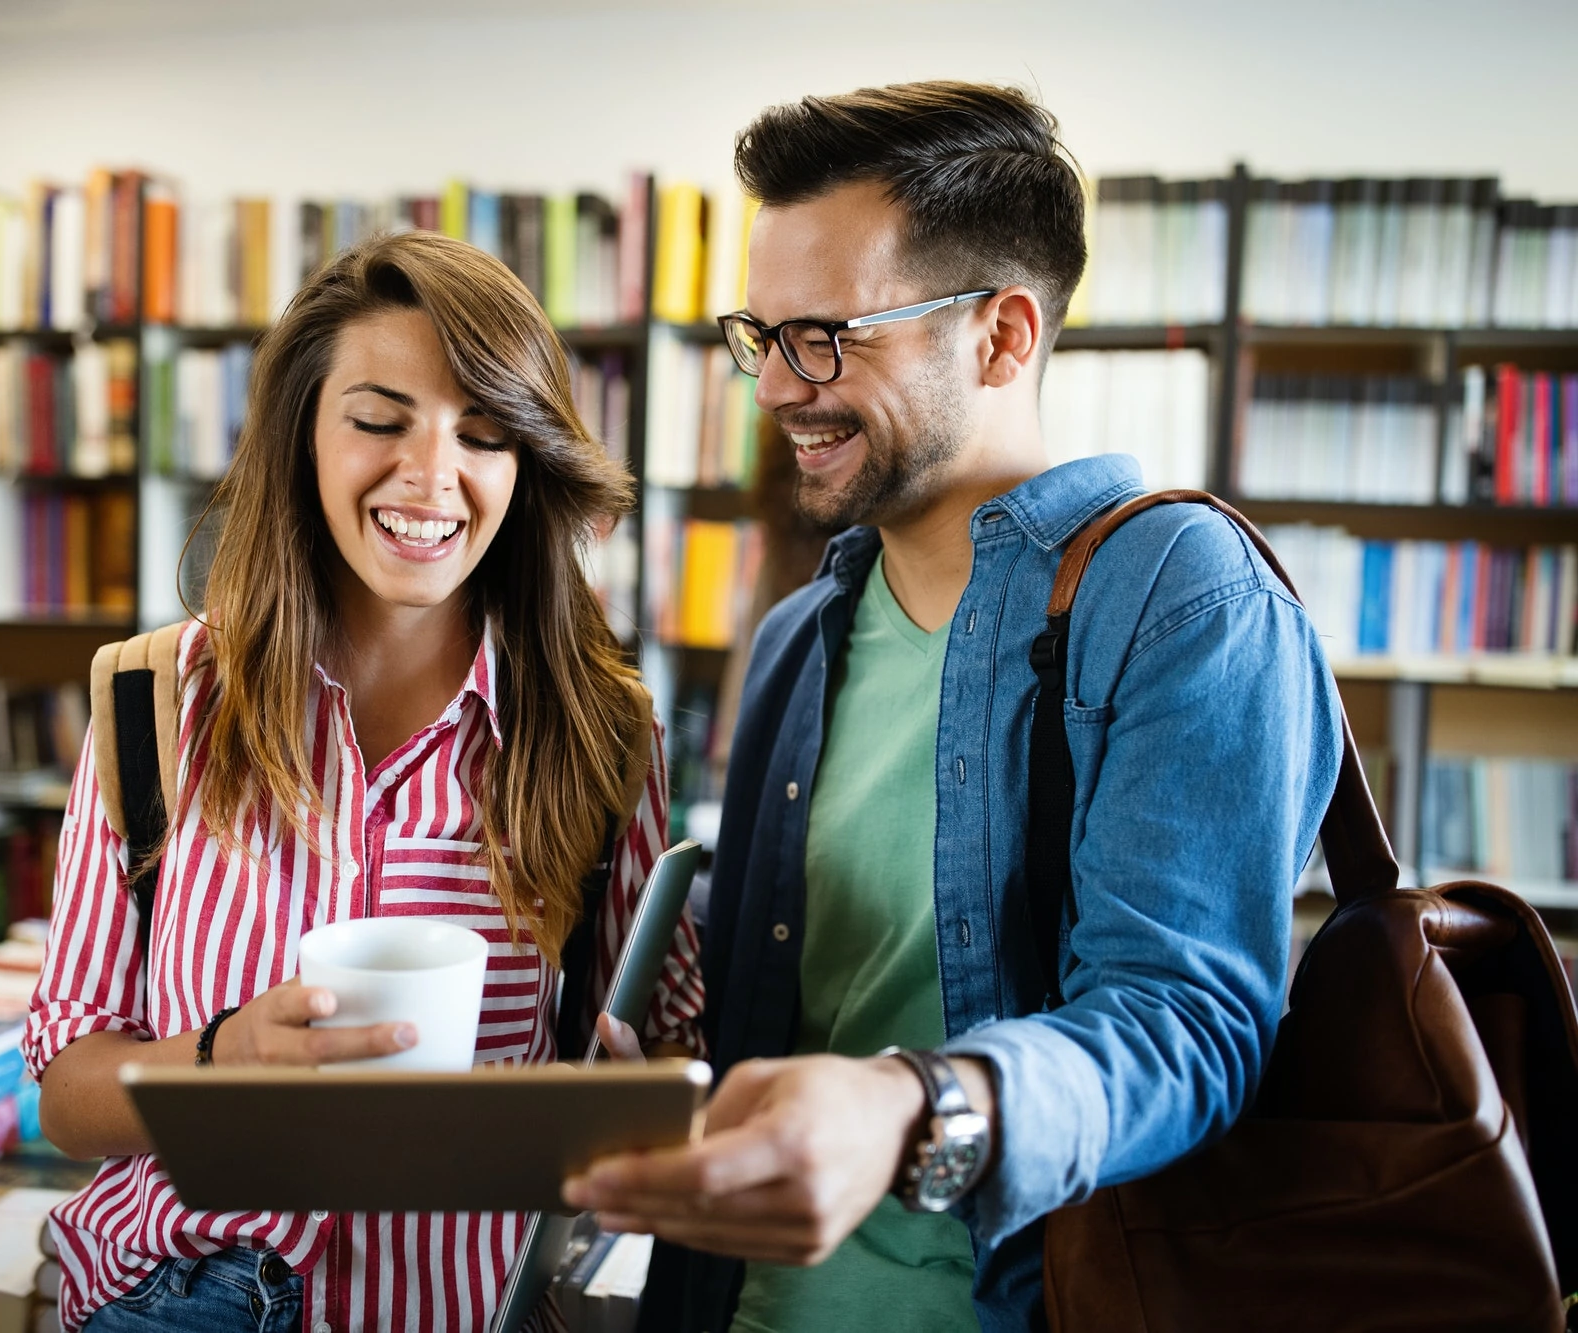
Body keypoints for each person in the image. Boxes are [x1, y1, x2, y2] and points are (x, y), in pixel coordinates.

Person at [564, 82, 1342, 1333]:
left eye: (825, 335)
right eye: (759, 336)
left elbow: (1187, 1026)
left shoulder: (1181, 599)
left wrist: (914, 1105)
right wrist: (666, 1076)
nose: (774, 388)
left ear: (1001, 335)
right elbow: (805, 1004)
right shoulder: (792, 639)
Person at [26, 230, 703, 1333]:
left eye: (483, 434)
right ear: (302, 438)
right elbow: (67, 1092)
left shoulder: (604, 736)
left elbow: (670, 1056)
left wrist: (625, 1091)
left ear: (523, 464)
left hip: (461, 1308)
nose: (430, 477)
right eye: (379, 421)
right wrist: (218, 1056)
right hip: (178, 1294)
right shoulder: (152, 701)